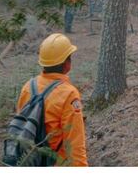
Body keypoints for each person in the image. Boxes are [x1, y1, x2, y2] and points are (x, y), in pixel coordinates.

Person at [13, 33, 88, 166]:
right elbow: (75, 144)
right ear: (67, 64)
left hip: (28, 160)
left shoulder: (28, 86)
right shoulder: (69, 94)